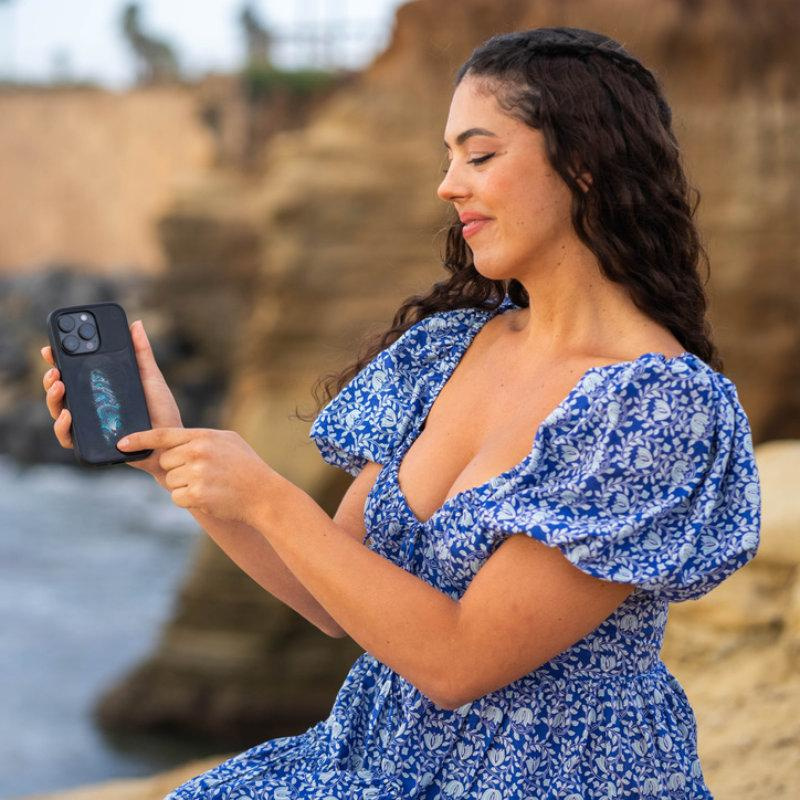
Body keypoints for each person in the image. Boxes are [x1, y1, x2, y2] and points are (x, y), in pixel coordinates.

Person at [41, 26, 761, 800]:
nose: (449, 186)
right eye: (448, 158)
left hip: (551, 778)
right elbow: (331, 595)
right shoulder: (446, 348)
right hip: (375, 754)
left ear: (584, 162)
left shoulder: (656, 405)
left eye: (479, 156)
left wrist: (268, 495)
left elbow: (459, 662)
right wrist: (173, 457)